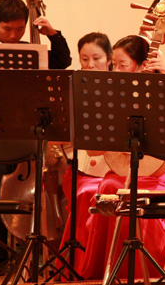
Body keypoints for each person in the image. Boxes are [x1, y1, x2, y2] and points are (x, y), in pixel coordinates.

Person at [79, 35, 165, 280]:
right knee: (109, 186)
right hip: (121, 174)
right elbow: (93, 151)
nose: (117, 71)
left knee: (131, 193)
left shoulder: (163, 91)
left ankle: (139, 274)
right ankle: (107, 274)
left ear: (141, 65)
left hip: (156, 178)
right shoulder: (113, 96)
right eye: (114, 65)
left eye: (123, 65)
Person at [58, 32, 113, 272]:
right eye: (84, 59)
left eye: (96, 58)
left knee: (102, 191)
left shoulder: (120, 89)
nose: (90, 64)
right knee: (82, 192)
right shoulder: (73, 88)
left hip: (113, 170)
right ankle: (80, 266)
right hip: (80, 170)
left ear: (109, 59)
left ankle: (102, 265)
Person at [0, 0, 72, 69]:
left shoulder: (30, 52)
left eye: (19, 29)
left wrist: (53, 34)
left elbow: (62, 62)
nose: (13, 36)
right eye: (7, 29)